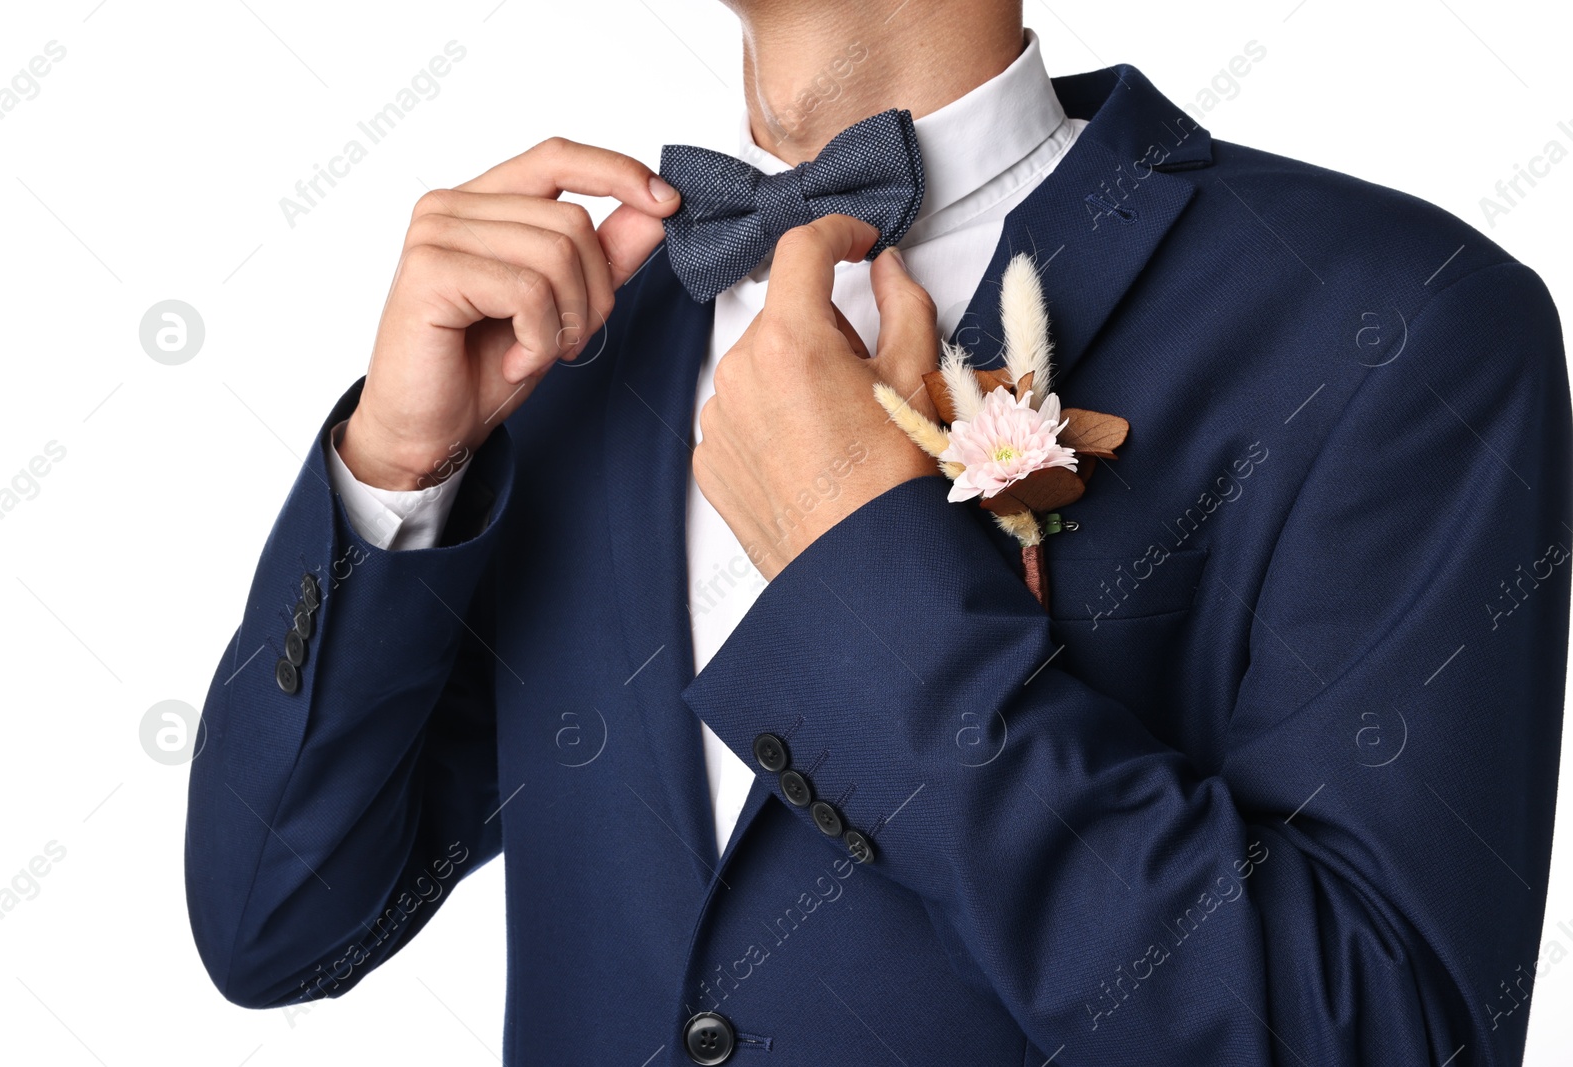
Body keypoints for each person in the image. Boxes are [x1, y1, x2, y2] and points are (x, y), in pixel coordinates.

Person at [185, 1, 1572, 1063]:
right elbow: (279, 926)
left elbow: (1391, 1034)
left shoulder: (1403, 323)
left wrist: (872, 591)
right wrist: (398, 473)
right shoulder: (577, 346)